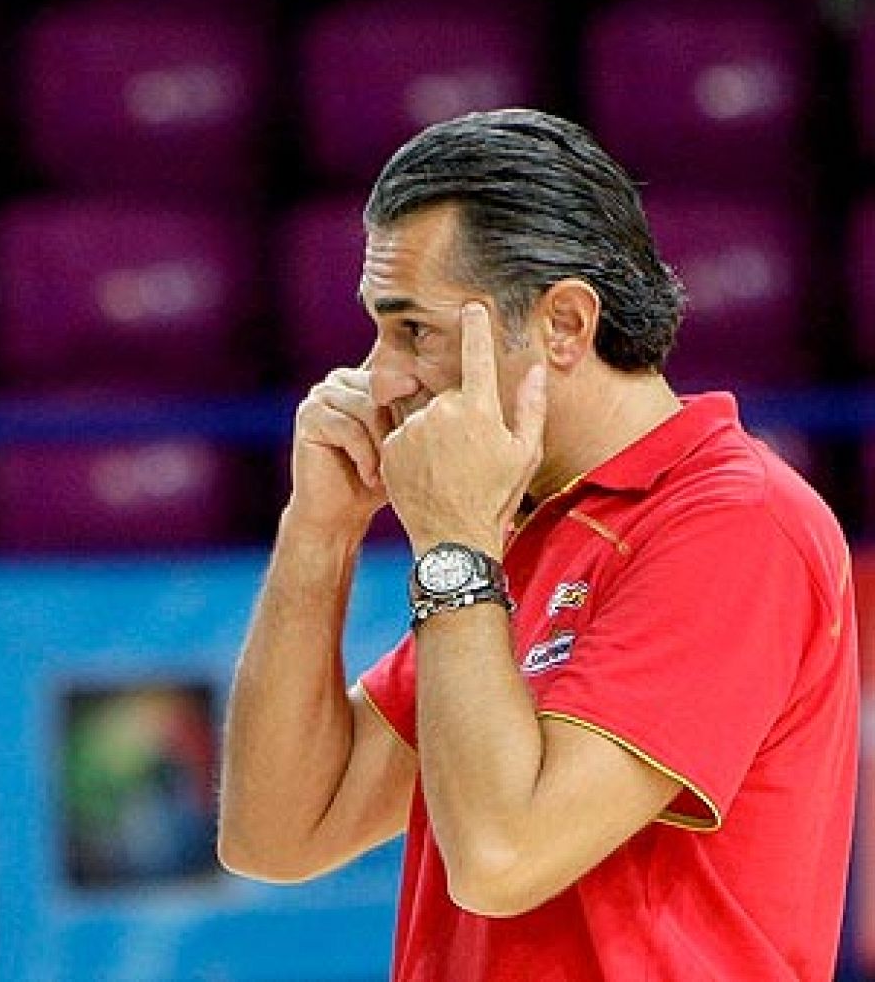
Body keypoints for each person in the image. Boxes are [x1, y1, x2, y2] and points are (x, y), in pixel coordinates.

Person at [218, 108, 858, 980]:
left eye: (415, 329)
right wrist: (316, 537)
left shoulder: (738, 522)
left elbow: (503, 856)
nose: (379, 375)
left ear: (562, 322)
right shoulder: (519, 530)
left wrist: (452, 547)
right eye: (377, 326)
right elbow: (276, 833)